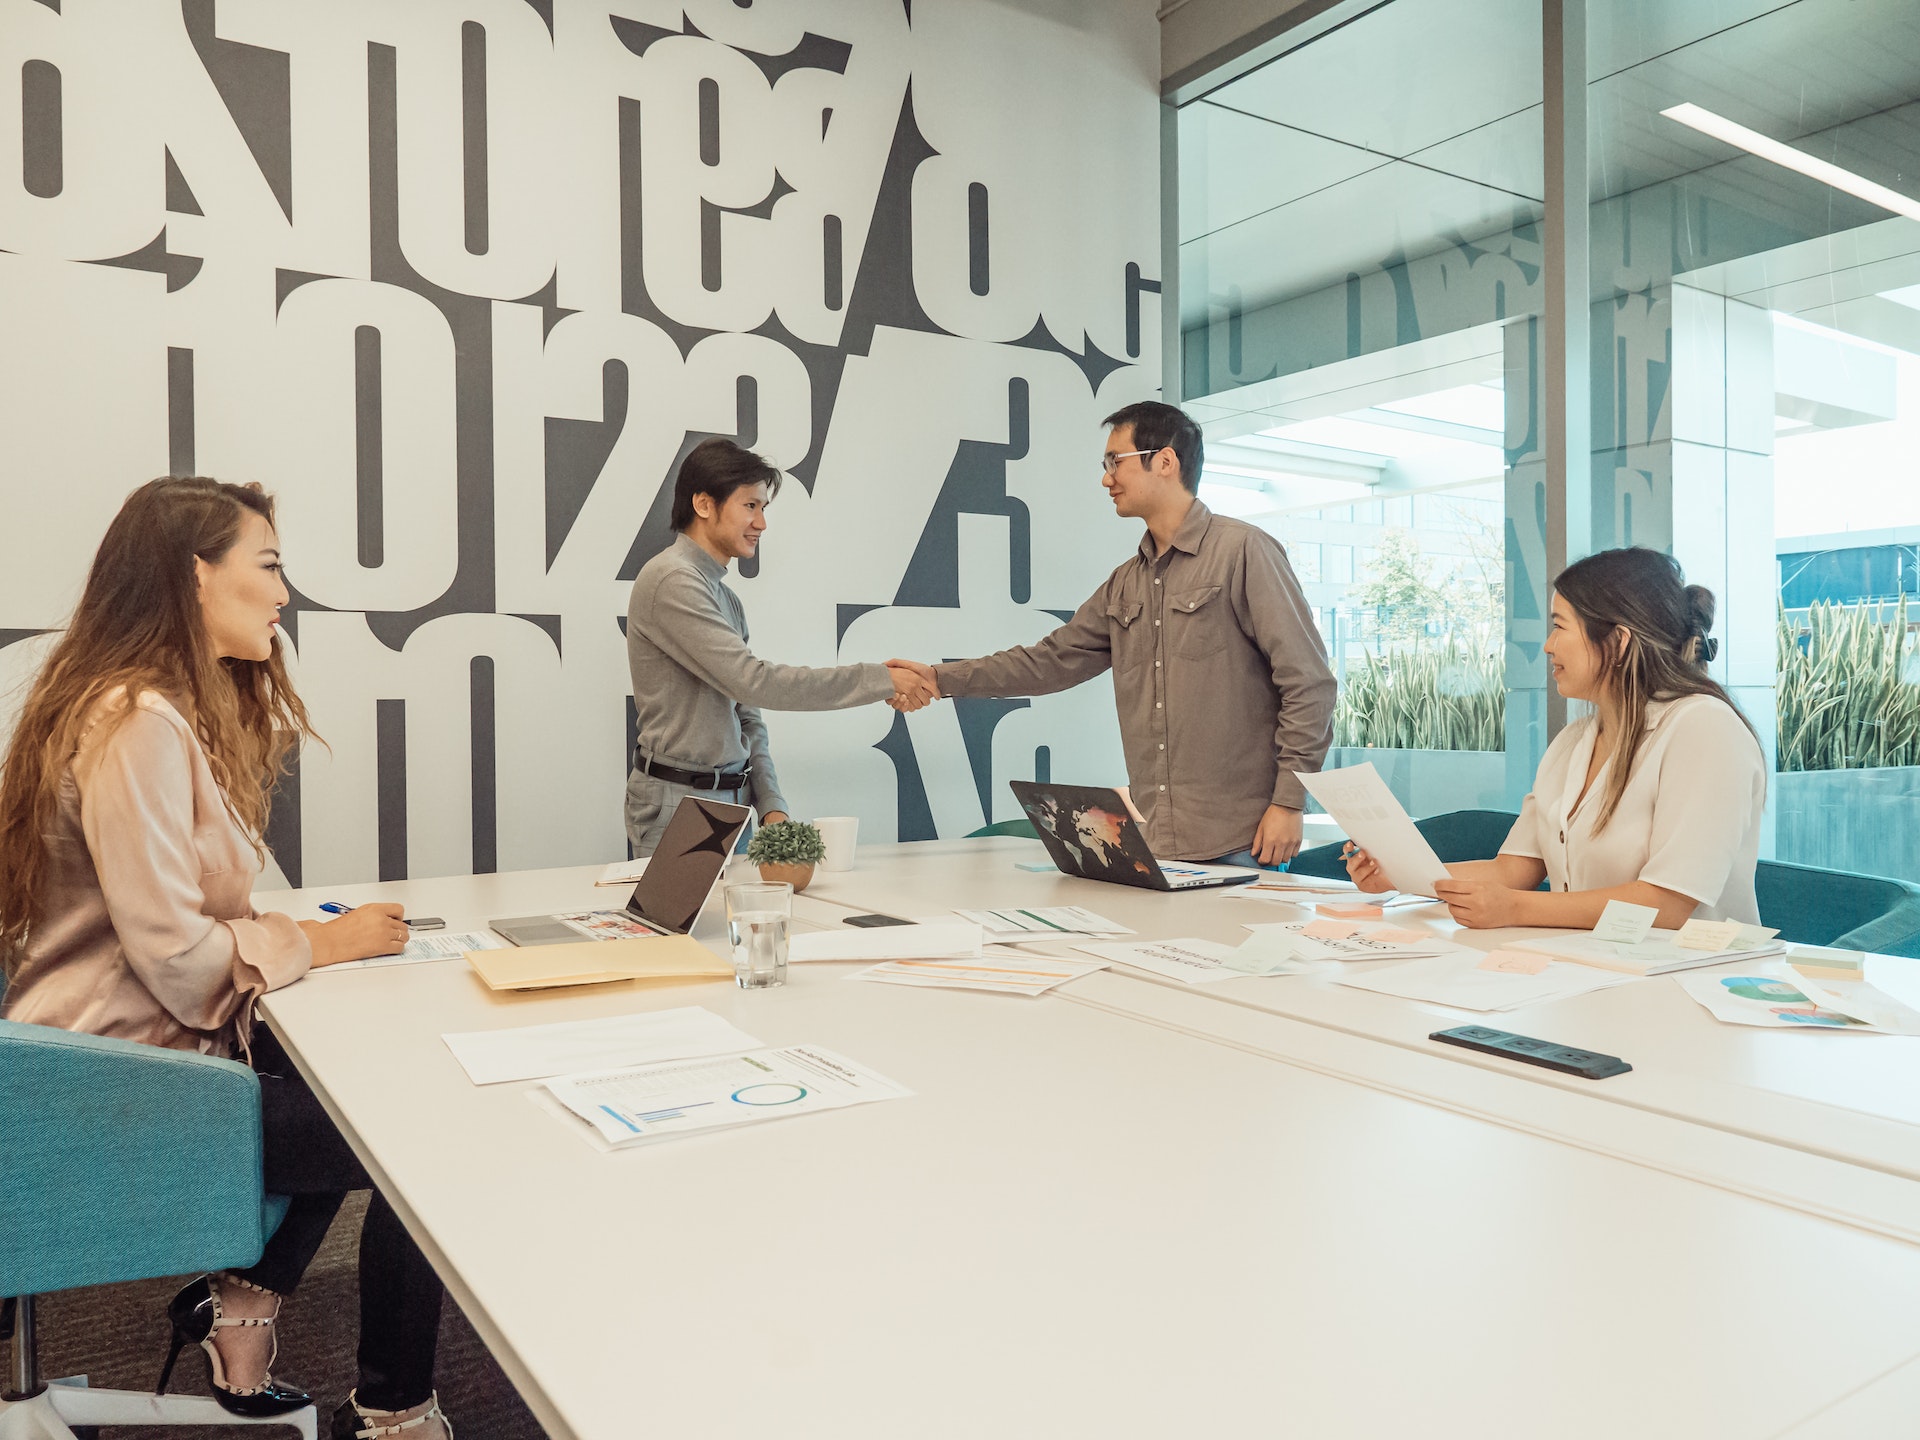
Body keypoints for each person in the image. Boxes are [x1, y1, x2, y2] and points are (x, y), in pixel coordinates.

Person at [0, 478, 452, 1440]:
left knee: (351, 1079)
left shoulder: (138, 707)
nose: (286, 595)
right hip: (113, 1096)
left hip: (105, 1068)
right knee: (418, 1137)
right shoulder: (136, 723)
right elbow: (180, 962)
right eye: (270, 566)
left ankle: (243, 1310)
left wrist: (294, 943)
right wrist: (321, 942)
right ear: (193, 575)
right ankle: (395, 1411)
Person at [892, 401, 1336, 868]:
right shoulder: (1126, 581)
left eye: (1114, 462)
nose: (1106, 478)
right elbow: (1049, 661)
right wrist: (939, 679)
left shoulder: (1245, 551)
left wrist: (1289, 802)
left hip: (1242, 841)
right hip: (1156, 843)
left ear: (1164, 461)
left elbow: (1309, 684)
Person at [1344, 547, 1768, 928]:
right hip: (1592, 974)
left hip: (1694, 987)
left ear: (1618, 642)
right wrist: (1401, 875)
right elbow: (1513, 871)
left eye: (1560, 627)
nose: (1548, 646)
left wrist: (1515, 909)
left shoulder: (1705, 728)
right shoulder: (1573, 741)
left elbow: (1668, 905)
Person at [625, 438, 934, 855]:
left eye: (763, 508)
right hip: (679, 805)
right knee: (683, 924)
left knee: (744, 920)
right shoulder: (673, 580)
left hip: (732, 805)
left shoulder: (724, 597)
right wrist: (881, 679)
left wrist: (770, 803)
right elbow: (755, 683)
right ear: (703, 505)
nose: (761, 523)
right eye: (750, 506)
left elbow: (746, 715)